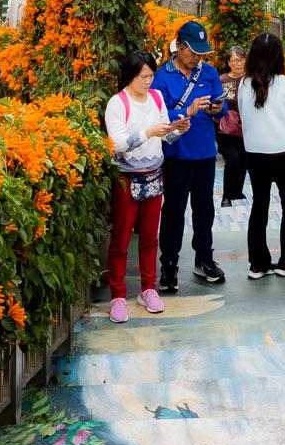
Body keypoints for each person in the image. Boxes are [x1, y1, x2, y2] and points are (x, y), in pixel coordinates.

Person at [103, 49, 189, 323]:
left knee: (151, 238)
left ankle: (148, 289)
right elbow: (116, 145)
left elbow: (166, 135)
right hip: (127, 179)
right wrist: (148, 133)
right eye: (143, 76)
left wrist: (177, 129)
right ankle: (118, 295)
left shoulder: (156, 97)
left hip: (154, 175)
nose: (148, 81)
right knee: (121, 238)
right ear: (130, 76)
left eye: (151, 75)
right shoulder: (118, 103)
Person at [152, 19, 227, 291]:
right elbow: (159, 115)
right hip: (176, 155)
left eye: (201, 53)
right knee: (173, 212)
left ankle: (204, 258)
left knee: (204, 210)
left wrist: (218, 108)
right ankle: (169, 264)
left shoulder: (209, 73)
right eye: (193, 52)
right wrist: (187, 112)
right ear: (179, 47)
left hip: (205, 153)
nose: (197, 58)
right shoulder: (162, 76)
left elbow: (223, 103)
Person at [237, 31, 285, 279]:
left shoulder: (244, 85)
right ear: (279, 56)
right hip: (283, 154)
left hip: (255, 154)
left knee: (259, 206)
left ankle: (258, 263)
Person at [217, 45, 248, 205]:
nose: (238, 63)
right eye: (234, 60)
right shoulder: (222, 80)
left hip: (246, 128)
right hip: (225, 130)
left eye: (241, 59)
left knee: (243, 160)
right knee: (233, 159)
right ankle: (226, 196)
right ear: (229, 62)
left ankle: (237, 191)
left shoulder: (250, 79)